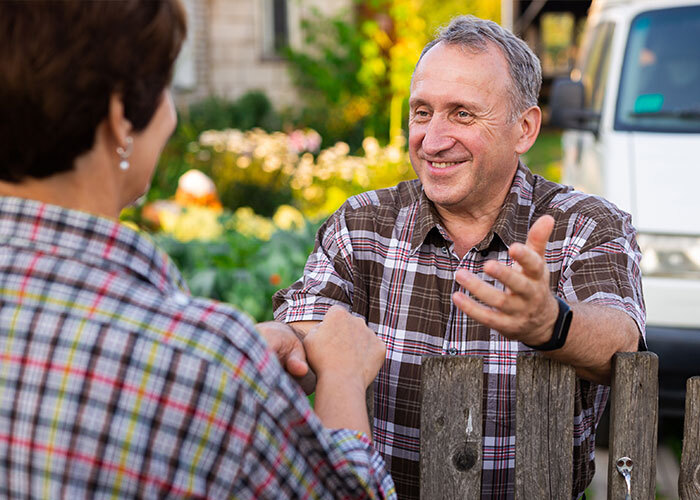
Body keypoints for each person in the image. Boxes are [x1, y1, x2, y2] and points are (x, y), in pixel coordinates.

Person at [0, 1, 395, 499]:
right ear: (122, 116)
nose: (172, 112)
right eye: (164, 86)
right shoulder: (199, 363)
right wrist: (342, 377)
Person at [273, 15, 645, 500]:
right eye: (422, 112)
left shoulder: (585, 225)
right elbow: (307, 327)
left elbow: (623, 344)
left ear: (525, 129)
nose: (432, 139)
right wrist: (274, 338)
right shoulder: (362, 223)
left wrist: (550, 322)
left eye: (463, 114)